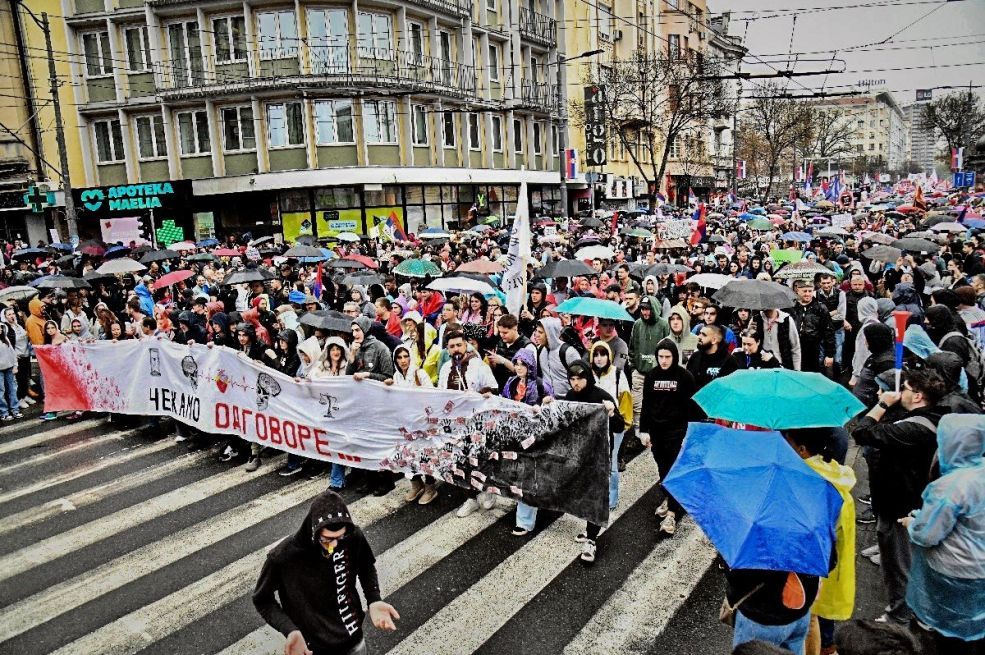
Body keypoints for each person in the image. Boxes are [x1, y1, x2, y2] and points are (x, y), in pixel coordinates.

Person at [851, 367, 947, 626]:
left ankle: (899, 618)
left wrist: (883, 404)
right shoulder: (935, 418)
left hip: (899, 506)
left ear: (917, 396)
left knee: (899, 567)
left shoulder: (912, 430)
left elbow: (861, 432)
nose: (896, 393)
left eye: (903, 388)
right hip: (906, 501)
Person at [253, 490, 399, 655]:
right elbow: (262, 599)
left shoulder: (353, 536)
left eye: (340, 537)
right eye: (327, 539)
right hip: (313, 648)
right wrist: (290, 630)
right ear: (314, 532)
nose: (335, 544)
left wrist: (373, 599)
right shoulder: (283, 556)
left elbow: (366, 565)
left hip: (354, 641)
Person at [904, 414, 985, 654]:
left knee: (941, 636)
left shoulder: (949, 487)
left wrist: (912, 523)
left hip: (952, 573)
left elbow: (927, 534)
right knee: (972, 631)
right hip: (980, 570)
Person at [785, 429, 857, 655]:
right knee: (814, 616)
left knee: (804, 618)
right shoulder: (833, 473)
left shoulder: (806, 481)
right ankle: (827, 647)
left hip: (803, 565)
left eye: (788, 441)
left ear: (802, 449)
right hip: (824, 562)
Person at [638, 338, 696, 536]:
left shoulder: (685, 377)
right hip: (657, 430)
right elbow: (646, 404)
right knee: (662, 469)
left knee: (673, 469)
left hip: (677, 431)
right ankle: (669, 497)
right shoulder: (652, 376)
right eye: (660, 357)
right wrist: (643, 430)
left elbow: (692, 407)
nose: (663, 361)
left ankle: (672, 513)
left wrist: (690, 433)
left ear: (675, 356)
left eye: (667, 357)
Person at [563, 360, 619, 564]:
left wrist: (611, 412)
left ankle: (592, 540)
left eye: (580, 379)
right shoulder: (570, 396)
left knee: (596, 494)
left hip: (599, 454)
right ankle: (589, 530)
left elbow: (621, 425)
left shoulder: (601, 396)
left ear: (588, 377)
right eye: (572, 379)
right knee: (584, 493)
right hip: (580, 453)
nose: (576, 383)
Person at [385, 344, 438, 505]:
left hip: (421, 422)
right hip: (405, 422)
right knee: (407, 454)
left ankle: (430, 487)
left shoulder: (419, 374)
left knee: (425, 455)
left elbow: (431, 395)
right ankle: (416, 484)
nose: (403, 361)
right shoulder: (396, 377)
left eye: (405, 356)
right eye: (399, 357)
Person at [628, 296, 670, 432]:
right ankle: (638, 431)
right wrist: (633, 368)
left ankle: (655, 430)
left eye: (648, 309)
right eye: (643, 309)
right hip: (639, 372)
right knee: (637, 404)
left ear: (654, 309)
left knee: (657, 404)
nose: (645, 312)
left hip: (658, 373)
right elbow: (632, 348)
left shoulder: (664, 325)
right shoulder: (637, 324)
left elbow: (669, 347)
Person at [789, 279, 835, 374]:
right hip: (794, 347)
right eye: (804, 291)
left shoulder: (820, 308)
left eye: (810, 291)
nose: (807, 294)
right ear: (797, 290)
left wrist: (829, 354)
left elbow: (829, 331)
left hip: (813, 349)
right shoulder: (791, 307)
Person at [686, 324, 736, 391]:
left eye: (704, 335)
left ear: (714, 340)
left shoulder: (728, 360)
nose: (699, 337)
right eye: (699, 333)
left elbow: (730, 387)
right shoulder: (695, 357)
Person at [0, 318, 22, 421]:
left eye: (1, 327)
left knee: (12, 389)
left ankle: (15, 410)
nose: (0, 329)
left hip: (9, 368)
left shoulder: (5, 339)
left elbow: (12, 353)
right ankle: (4, 412)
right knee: (1, 391)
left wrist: (15, 365)